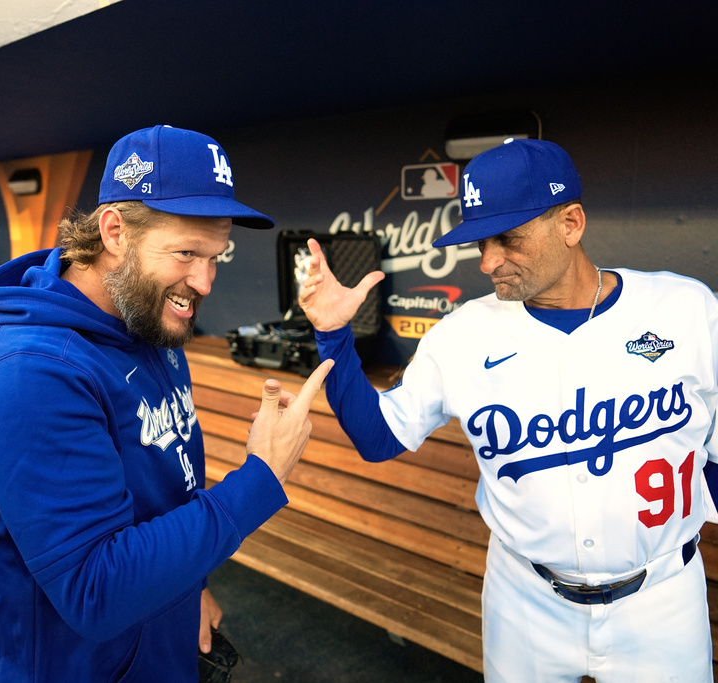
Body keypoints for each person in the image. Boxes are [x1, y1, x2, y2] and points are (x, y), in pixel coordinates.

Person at [298, 138, 718, 682]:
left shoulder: (685, 309)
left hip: (662, 597)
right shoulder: (464, 334)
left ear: (571, 223)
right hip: (526, 599)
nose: (489, 261)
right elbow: (380, 439)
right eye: (480, 242)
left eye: (509, 239)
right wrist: (333, 336)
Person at [0, 125, 333, 682]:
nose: (204, 281)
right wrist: (263, 475)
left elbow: (167, 488)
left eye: (216, 256)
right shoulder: (26, 370)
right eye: (185, 253)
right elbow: (95, 592)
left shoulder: (147, 318)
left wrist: (189, 587)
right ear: (114, 232)